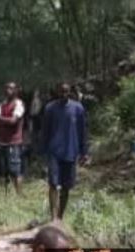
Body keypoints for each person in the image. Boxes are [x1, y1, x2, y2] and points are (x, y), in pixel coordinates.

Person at [41, 82, 88, 222]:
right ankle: (53, 217)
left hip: (71, 151)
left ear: (70, 92)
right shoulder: (50, 108)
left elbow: (82, 131)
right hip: (54, 151)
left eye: (66, 92)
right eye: (61, 92)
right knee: (53, 184)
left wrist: (84, 152)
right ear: (57, 92)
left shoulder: (78, 108)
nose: (64, 94)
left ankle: (60, 216)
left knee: (66, 186)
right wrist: (43, 150)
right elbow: (45, 131)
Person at [0, 81, 25, 196]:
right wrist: (2, 119)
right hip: (2, 141)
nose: (8, 91)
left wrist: (0, 119)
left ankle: (19, 194)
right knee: (5, 170)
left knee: (15, 169)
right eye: (7, 89)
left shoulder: (18, 104)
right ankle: (7, 193)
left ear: (16, 90)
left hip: (14, 141)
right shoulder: (2, 104)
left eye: (11, 89)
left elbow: (13, 121)